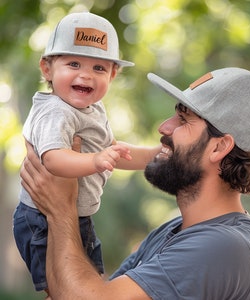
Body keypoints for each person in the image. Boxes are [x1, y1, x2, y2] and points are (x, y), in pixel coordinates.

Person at [20, 67, 250, 299]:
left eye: (184, 119)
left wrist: (61, 209)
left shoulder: (223, 246)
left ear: (219, 147)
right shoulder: (174, 232)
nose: (164, 127)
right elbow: (81, 289)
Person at [13, 12, 160, 295]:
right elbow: (53, 159)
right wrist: (94, 161)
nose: (85, 75)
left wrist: (152, 155)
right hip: (41, 217)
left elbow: (115, 150)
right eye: (74, 63)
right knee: (64, 290)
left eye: (99, 68)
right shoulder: (56, 111)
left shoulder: (91, 109)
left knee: (91, 285)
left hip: (79, 216)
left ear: (113, 74)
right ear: (47, 68)